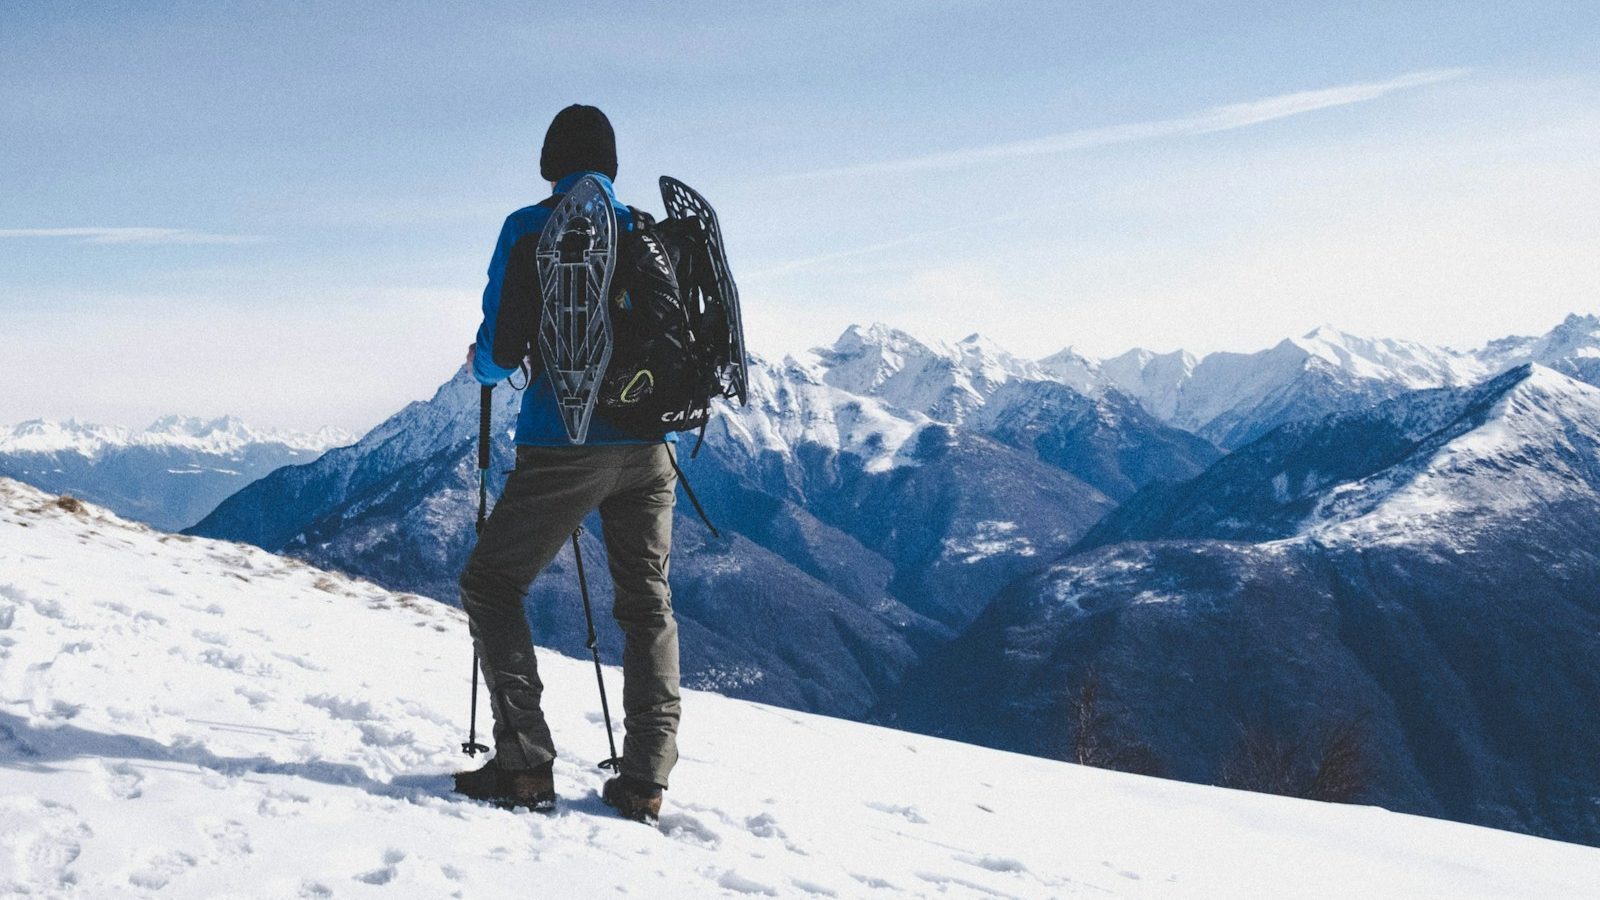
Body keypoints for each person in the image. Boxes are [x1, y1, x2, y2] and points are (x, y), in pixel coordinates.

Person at [453, 104, 680, 823]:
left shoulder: (529, 228)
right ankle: (645, 778)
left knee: (491, 583)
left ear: (550, 160)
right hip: (650, 448)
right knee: (646, 604)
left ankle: (524, 761)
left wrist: (479, 362)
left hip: (563, 445)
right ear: (610, 164)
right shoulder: (645, 228)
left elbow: (500, 349)